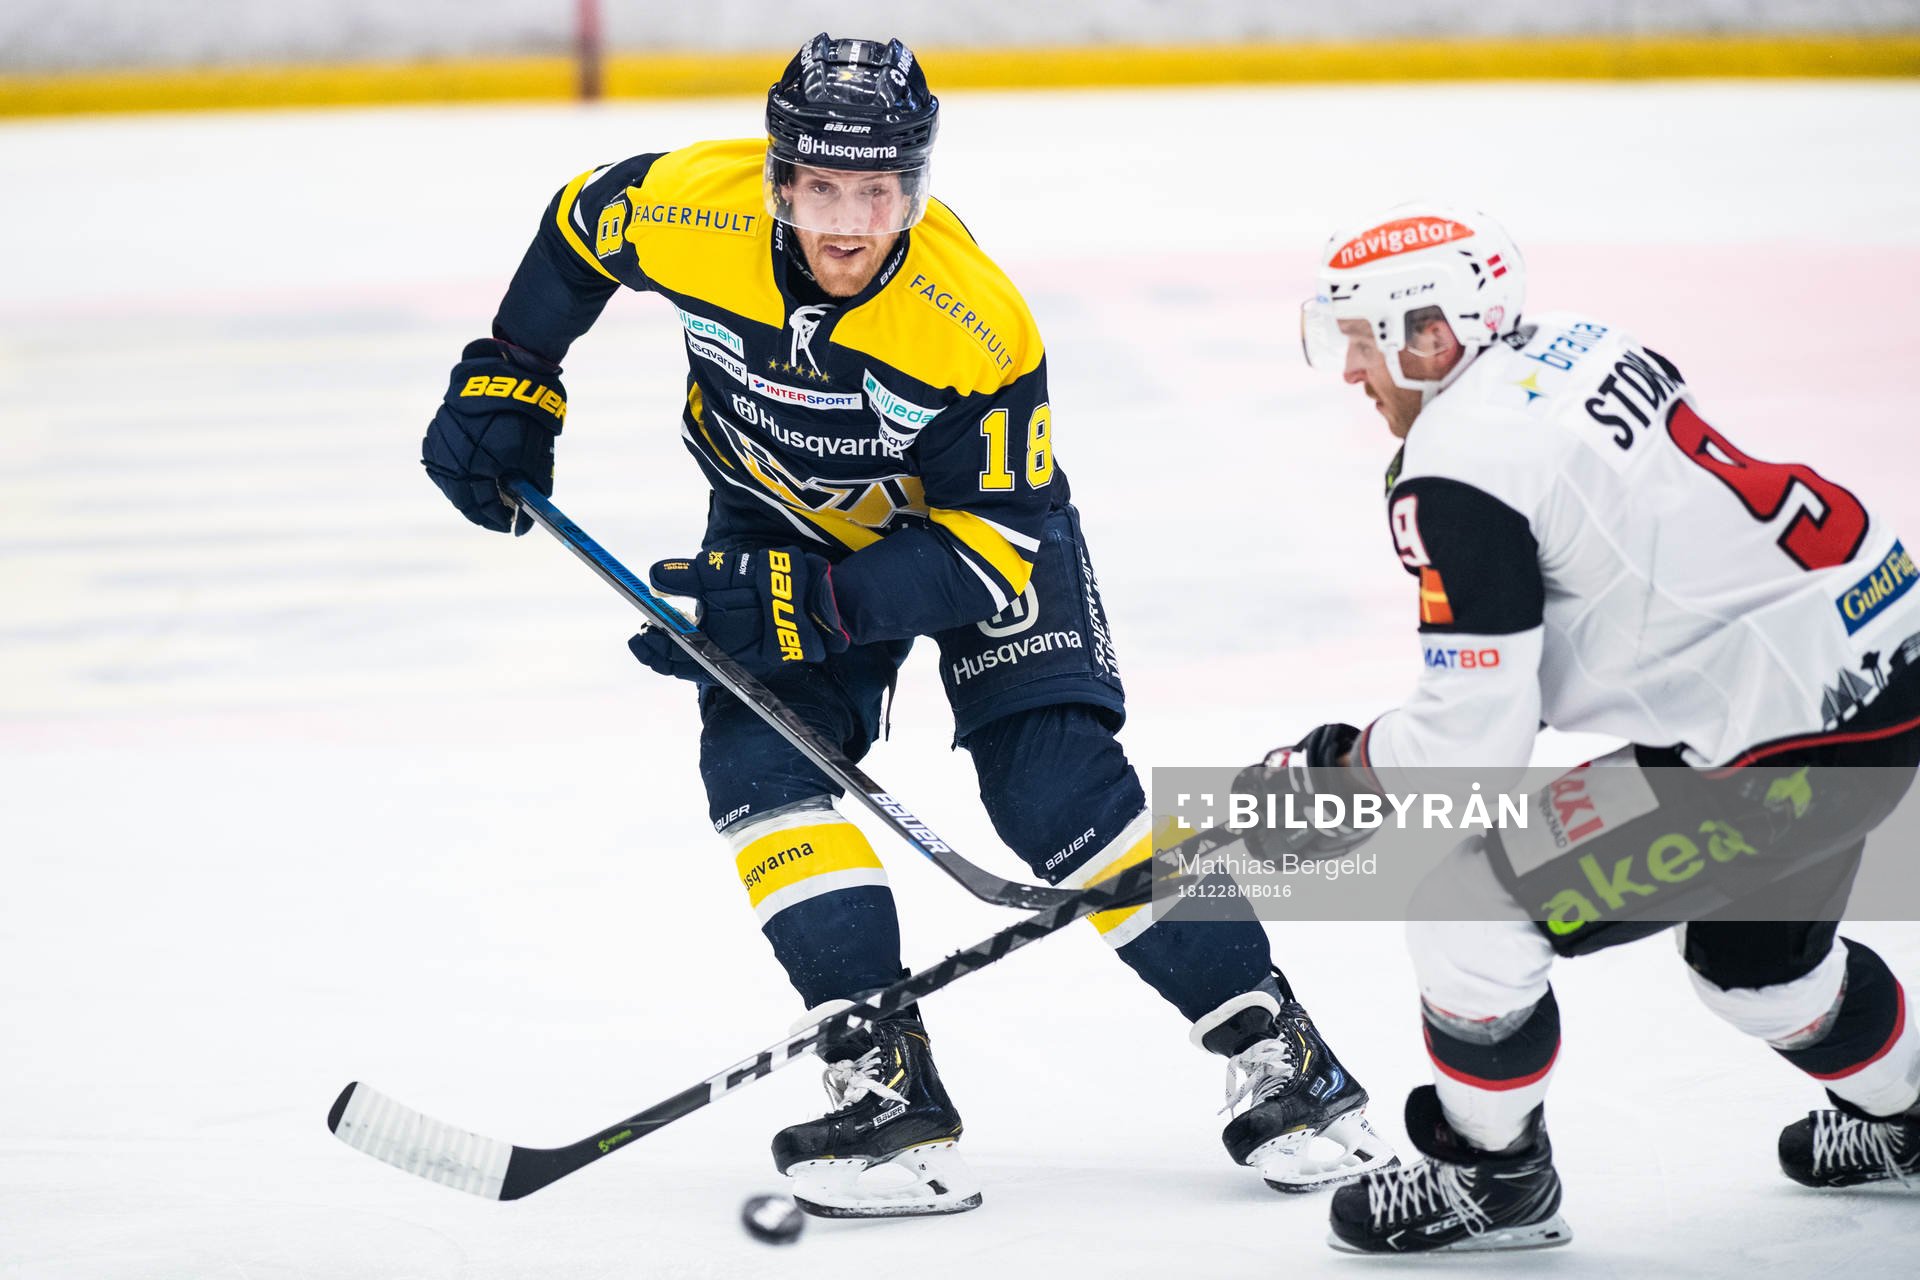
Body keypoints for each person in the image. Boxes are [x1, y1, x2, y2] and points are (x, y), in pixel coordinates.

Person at [418, 33, 1392, 1217]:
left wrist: (820, 605)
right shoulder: (688, 207)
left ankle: (1284, 1052)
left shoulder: (972, 322)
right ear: (778, 180)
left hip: (971, 534)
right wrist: (513, 369)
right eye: (821, 187)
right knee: (757, 764)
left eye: (877, 191)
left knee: (1058, 799)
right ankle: (884, 1084)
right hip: (774, 513)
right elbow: (581, 226)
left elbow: (997, 547)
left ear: (913, 187)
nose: (847, 221)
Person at [1237, 203, 1920, 1253]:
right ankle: (1911, 1119)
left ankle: (1493, 1178)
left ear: (1433, 334)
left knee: (1470, 907)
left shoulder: (1456, 467)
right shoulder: (1581, 339)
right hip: (1877, 655)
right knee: (1757, 970)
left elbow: (1470, 747)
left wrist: (1333, 770)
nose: (1348, 372)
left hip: (1780, 734)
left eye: (1363, 341)